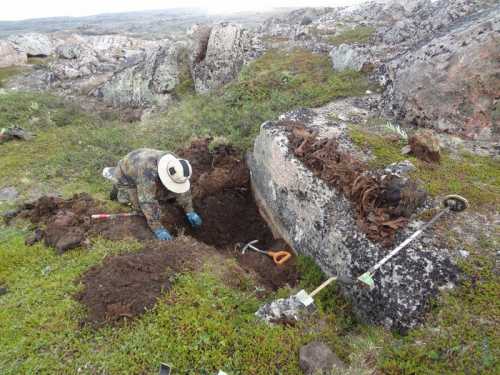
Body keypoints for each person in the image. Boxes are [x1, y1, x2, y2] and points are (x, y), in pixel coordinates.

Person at [102, 148, 202, 241]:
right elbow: (146, 201)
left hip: (140, 164)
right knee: (138, 207)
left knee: (161, 193)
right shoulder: (148, 173)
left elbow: (183, 190)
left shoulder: (177, 164)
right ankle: (117, 185)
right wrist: (158, 228)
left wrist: (190, 211)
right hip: (126, 174)